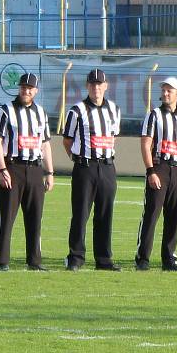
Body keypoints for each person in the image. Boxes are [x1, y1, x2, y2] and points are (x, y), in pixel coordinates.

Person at [135, 77, 177, 272]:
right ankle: (143, 258)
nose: (165, 93)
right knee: (152, 213)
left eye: (169, 90)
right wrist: (150, 171)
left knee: (174, 215)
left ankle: (169, 258)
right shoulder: (153, 115)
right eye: (163, 90)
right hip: (160, 167)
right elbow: (146, 144)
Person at [0, 72, 54, 272]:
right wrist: (1, 168)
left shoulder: (41, 113)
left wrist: (49, 172)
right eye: (23, 87)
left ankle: (34, 261)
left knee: (35, 216)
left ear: (35, 91)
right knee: (6, 216)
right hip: (13, 167)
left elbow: (45, 144)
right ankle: (3, 261)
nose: (26, 91)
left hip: (35, 168)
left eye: (29, 88)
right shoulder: (7, 111)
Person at [62, 68, 122, 271]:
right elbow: (67, 140)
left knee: (105, 214)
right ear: (87, 86)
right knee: (80, 214)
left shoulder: (114, 110)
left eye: (100, 84)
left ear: (106, 86)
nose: (96, 88)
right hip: (85, 167)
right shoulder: (77, 110)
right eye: (92, 84)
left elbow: (113, 137)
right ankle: (76, 257)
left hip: (106, 166)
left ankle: (104, 259)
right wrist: (78, 158)